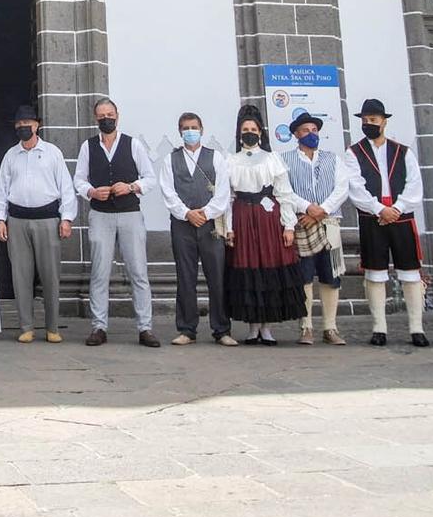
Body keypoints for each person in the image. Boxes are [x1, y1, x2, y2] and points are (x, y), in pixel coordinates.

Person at [343, 99, 427, 347]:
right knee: (375, 272)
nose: (369, 124)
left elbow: (414, 184)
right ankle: (379, 327)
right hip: (373, 217)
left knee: (410, 273)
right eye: (365, 120)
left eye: (373, 119)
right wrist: (379, 208)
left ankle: (417, 328)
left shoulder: (403, 152)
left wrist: (398, 208)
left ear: (384, 121)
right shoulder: (353, 153)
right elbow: (355, 187)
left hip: (402, 216)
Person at [76, 98, 160, 347]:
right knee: (99, 272)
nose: (106, 119)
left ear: (117, 115)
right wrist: (91, 192)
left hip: (130, 214)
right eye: (101, 115)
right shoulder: (87, 147)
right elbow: (79, 179)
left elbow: (150, 178)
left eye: (109, 114)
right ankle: (99, 326)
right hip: (100, 215)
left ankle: (145, 327)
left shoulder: (132, 144)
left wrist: (132, 186)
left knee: (138, 272)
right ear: (95, 119)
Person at [224, 110, 308, 343]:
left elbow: (285, 193)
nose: (249, 134)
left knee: (268, 268)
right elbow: (227, 198)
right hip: (242, 217)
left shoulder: (272, 159)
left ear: (260, 133)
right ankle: (252, 328)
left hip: (268, 219)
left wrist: (289, 225)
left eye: (253, 130)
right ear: (239, 134)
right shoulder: (230, 161)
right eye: (245, 131)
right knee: (248, 269)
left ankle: (267, 328)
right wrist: (228, 228)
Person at [0, 103, 75, 343]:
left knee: (50, 275)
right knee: (21, 275)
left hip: (47, 220)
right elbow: (1, 190)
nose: (23, 128)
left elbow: (66, 188)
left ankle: (52, 327)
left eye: (27, 124)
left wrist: (67, 218)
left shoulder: (53, 153)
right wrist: (0, 219)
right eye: (19, 125)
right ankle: (26, 326)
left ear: (37, 125)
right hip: (17, 220)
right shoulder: (11, 155)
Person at [161, 111, 233, 347]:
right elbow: (168, 192)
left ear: (202, 130)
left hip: (210, 225)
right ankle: (186, 329)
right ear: (179, 131)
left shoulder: (216, 158)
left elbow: (223, 193)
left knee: (217, 276)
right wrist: (186, 213)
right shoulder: (170, 160)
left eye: (194, 127)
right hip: (182, 225)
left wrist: (206, 213)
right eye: (185, 128)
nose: (190, 131)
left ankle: (221, 329)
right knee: (185, 276)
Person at [277, 104, 346, 345]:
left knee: (331, 276)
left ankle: (330, 327)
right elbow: (284, 191)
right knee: (304, 277)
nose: (311, 133)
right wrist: (307, 208)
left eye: (314, 129)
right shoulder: (283, 160)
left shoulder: (333, 159)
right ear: (296, 134)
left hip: (328, 222)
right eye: (305, 130)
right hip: (301, 224)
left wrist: (321, 210)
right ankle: (306, 327)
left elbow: (342, 188)